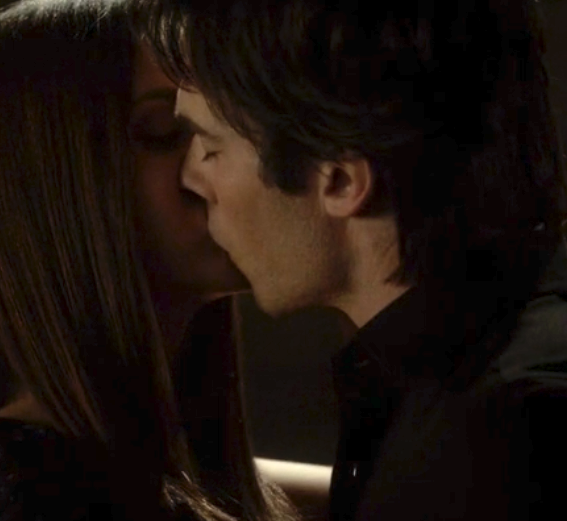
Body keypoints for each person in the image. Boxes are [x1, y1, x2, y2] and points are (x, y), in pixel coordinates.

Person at [134, 0, 567, 519]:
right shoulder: (465, 370)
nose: (188, 177)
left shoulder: (493, 449)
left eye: (209, 147)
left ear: (339, 181)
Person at [0, 0, 302, 520]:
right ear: (49, 192)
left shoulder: (176, 467)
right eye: (165, 132)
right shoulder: (20, 497)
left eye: (221, 128)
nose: (218, 164)